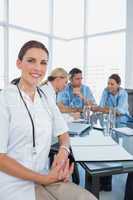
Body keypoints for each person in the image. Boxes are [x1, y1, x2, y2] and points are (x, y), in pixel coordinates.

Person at [0, 40, 97, 200]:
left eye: (43, 62)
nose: (38, 68)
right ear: (19, 63)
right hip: (12, 182)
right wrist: (44, 179)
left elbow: (64, 134)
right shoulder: (4, 99)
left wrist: (63, 154)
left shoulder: (45, 97)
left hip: (46, 175)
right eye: (31, 61)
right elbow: (1, 158)